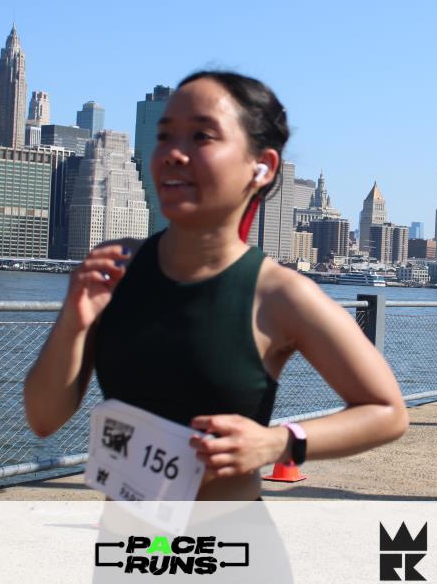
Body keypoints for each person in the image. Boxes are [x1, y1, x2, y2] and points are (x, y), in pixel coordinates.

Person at [24, 70, 409, 504]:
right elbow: (43, 419)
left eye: (201, 136)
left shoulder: (278, 294)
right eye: (165, 136)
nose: (173, 153)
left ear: (262, 167)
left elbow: (387, 412)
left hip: (228, 540)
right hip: (126, 541)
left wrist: (278, 442)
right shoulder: (115, 267)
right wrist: (74, 322)